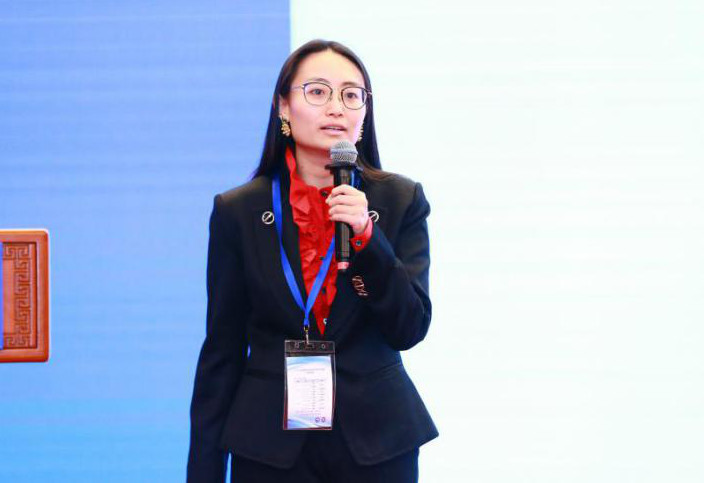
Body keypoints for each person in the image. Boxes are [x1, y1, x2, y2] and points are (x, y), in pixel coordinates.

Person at [187, 39, 438, 483]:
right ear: (283, 107)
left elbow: (409, 327)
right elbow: (222, 352)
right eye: (318, 91)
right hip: (269, 446)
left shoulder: (400, 200)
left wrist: (367, 238)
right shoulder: (239, 211)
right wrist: (204, 472)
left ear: (365, 114)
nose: (336, 107)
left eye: (351, 94)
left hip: (378, 442)